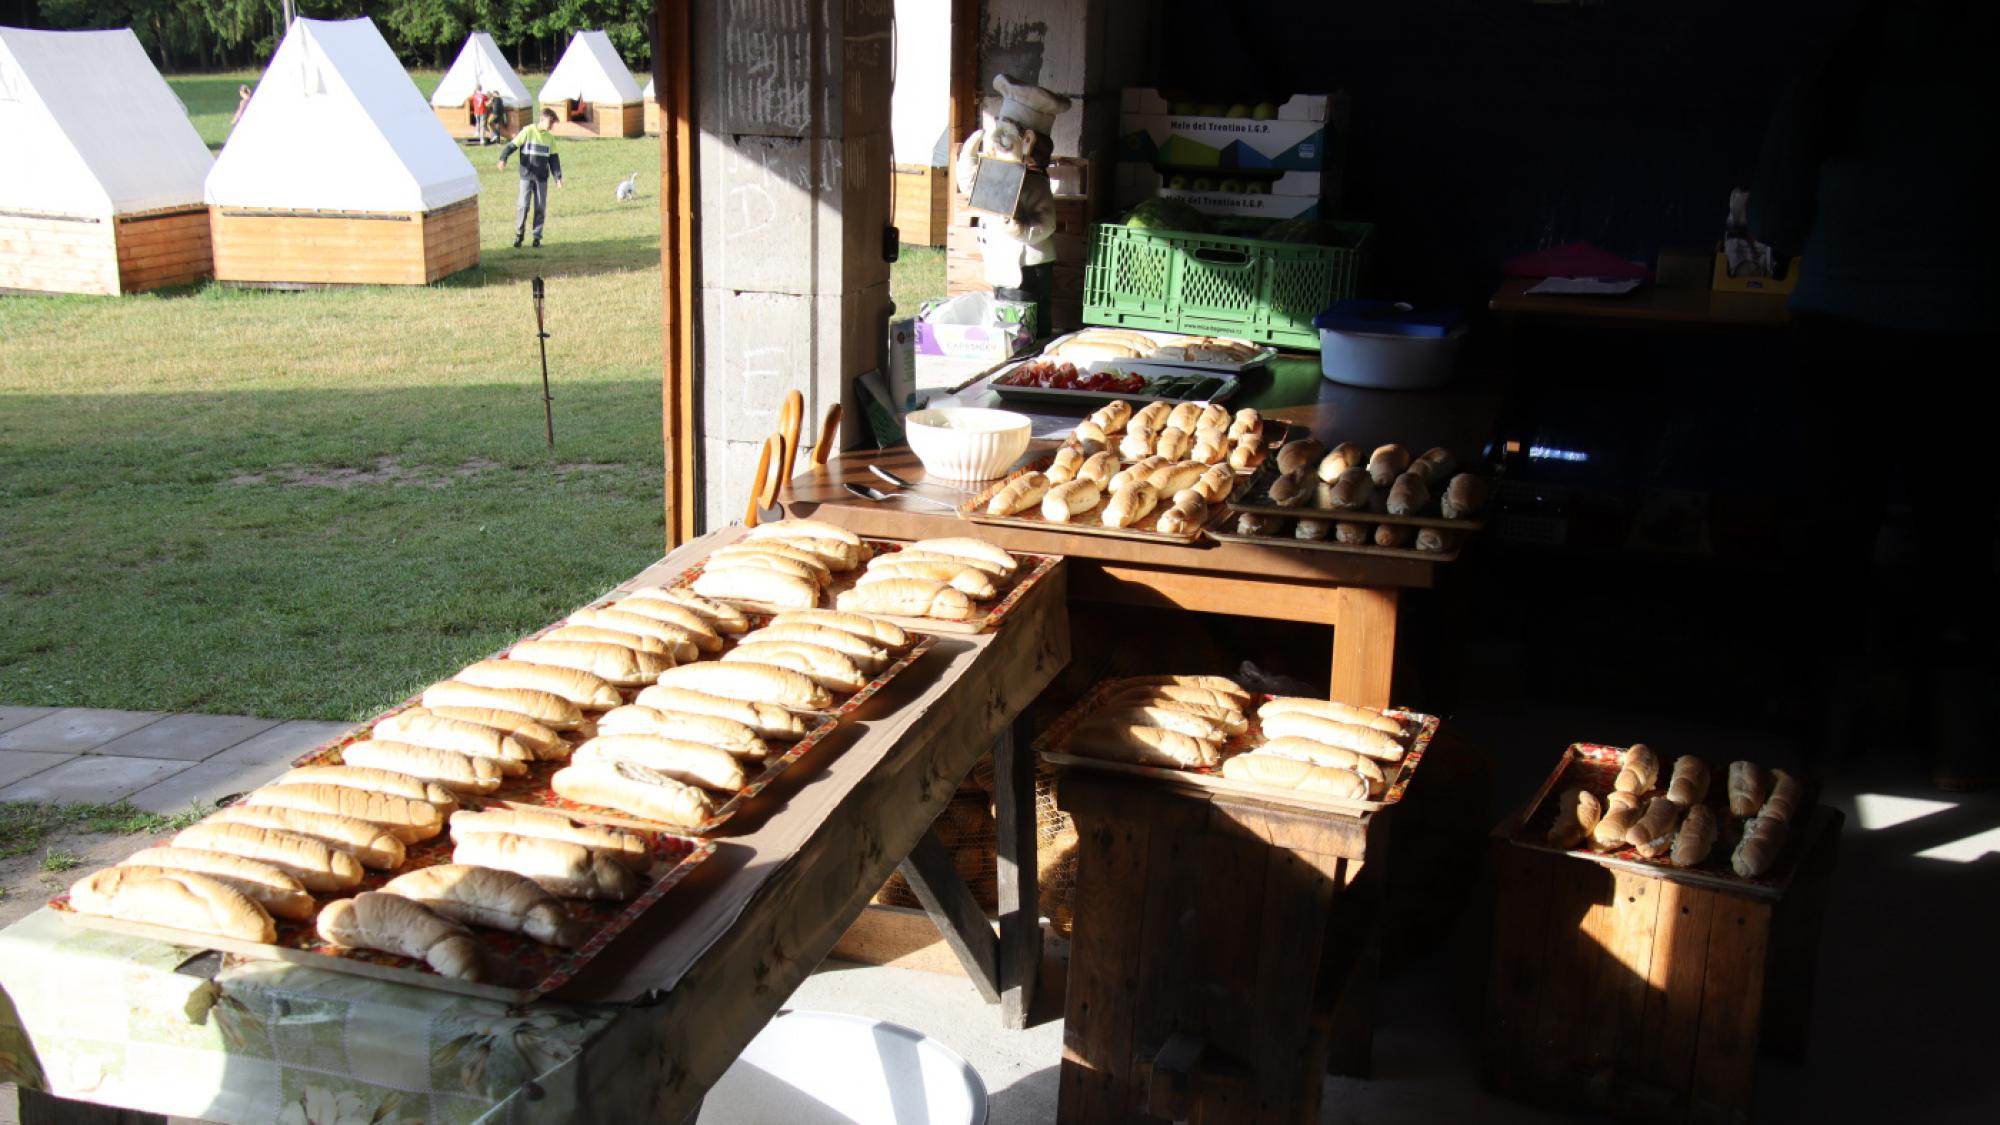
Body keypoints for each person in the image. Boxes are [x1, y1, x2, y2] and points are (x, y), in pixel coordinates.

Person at [1751, 0, 1999, 788]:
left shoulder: (1836, 73)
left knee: (1835, 529)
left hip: (1841, 331)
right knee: (1959, 535)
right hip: (1967, 334)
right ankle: (1957, 741)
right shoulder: (1985, 69)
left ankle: (1823, 733)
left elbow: (1774, 218)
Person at [497, 108, 564, 248]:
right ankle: (519, 235)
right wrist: (503, 158)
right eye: (550, 122)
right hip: (526, 176)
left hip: (541, 179)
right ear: (542, 119)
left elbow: (554, 160)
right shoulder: (528, 131)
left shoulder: (550, 138)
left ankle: (537, 238)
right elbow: (512, 145)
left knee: (540, 208)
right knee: (523, 206)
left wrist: (558, 178)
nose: (552, 126)